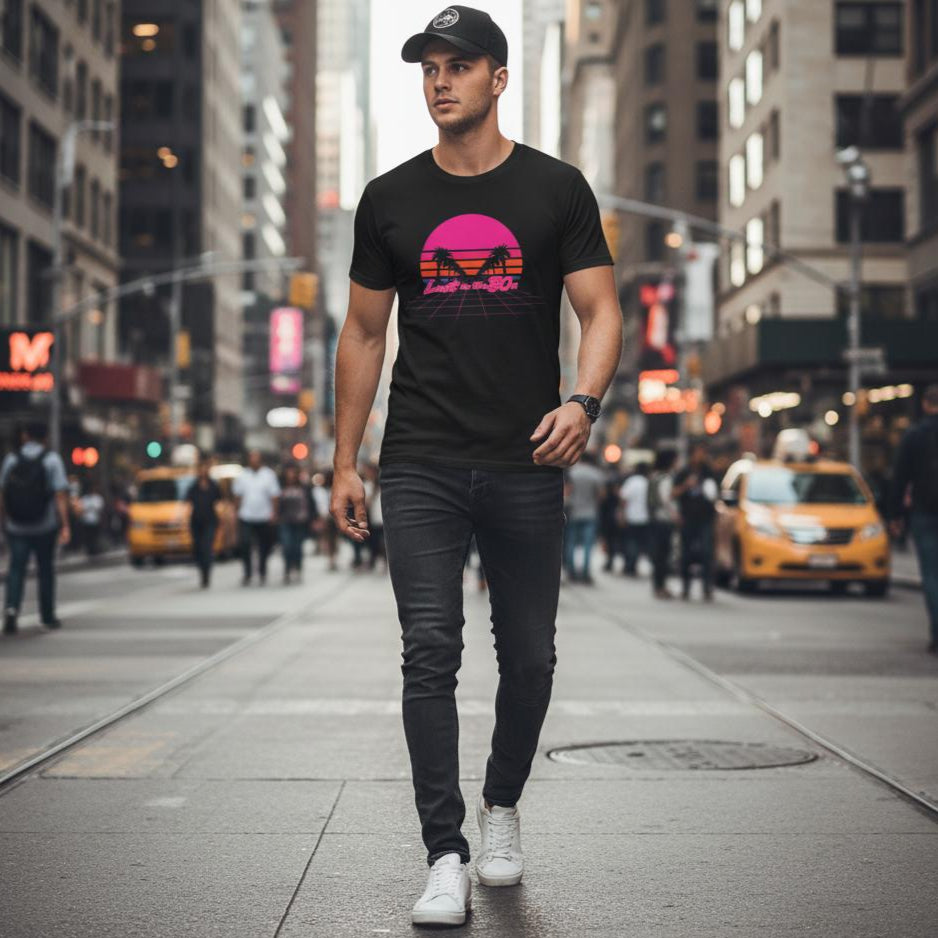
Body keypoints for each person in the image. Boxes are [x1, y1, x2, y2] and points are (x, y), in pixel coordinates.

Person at [329, 6, 622, 926]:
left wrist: (584, 403)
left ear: (498, 78)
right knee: (430, 651)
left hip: (527, 457)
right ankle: (444, 853)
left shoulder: (556, 189)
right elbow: (363, 333)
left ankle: (501, 806)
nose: (440, 81)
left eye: (458, 66)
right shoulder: (389, 199)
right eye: (429, 68)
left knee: (529, 656)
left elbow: (601, 311)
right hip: (420, 455)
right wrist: (344, 462)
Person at [0, 422, 71, 633]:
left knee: (16, 569)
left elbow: (2, 493)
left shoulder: (12, 459)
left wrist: (4, 520)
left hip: (16, 526)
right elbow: (60, 495)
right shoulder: (52, 460)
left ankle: (11, 609)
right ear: (46, 437)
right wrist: (65, 525)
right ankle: (47, 616)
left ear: (25, 436)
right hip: (44, 526)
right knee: (46, 570)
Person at [890, 383, 938, 653]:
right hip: (922, 512)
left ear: (925, 404)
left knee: (931, 574)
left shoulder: (914, 435)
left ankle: (937, 631)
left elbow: (900, 477)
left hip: (924, 512)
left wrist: (895, 515)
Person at [672, 443, 719, 601]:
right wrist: (686, 486)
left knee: (707, 552)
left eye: (703, 453)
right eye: (698, 453)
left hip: (705, 518)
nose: (700, 456)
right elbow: (673, 493)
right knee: (686, 553)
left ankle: (707, 587)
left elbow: (716, 494)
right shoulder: (684, 472)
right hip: (688, 518)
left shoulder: (709, 472)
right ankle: (686, 587)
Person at [232, 450, 280, 586]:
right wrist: (236, 512)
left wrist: (274, 513)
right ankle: (247, 573)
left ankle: (262, 570)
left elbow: (274, 496)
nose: (254, 460)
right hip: (246, 515)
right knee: (245, 543)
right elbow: (237, 496)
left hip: (264, 516)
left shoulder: (268, 475)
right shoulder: (243, 475)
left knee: (264, 545)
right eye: (252, 457)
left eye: (256, 457)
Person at [563, 451, 606, 584]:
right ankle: (586, 573)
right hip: (590, 513)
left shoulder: (572, 472)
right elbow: (601, 495)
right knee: (588, 545)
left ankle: (571, 572)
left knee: (570, 543)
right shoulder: (595, 473)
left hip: (573, 512)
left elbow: (566, 492)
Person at [185, 459, 221, 588]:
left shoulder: (213, 485)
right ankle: (202, 570)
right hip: (196, 521)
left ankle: (207, 574)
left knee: (207, 547)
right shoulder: (193, 486)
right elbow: (187, 502)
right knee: (198, 548)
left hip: (210, 521)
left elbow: (219, 501)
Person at [647, 448, 678, 599]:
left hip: (655, 519)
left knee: (658, 555)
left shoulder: (654, 476)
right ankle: (661, 586)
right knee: (664, 556)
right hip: (664, 520)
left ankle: (658, 585)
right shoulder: (666, 478)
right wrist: (675, 514)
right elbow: (666, 499)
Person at [279, 462, 316, 583]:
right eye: (288, 472)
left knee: (297, 546)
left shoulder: (304, 487)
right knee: (287, 546)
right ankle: (288, 568)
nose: (291, 474)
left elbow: (311, 503)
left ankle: (298, 567)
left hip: (300, 522)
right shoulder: (280, 486)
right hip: (285, 521)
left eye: (293, 472)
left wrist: (314, 519)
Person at [620, 462, 651, 576]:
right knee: (639, 543)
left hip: (631, 516)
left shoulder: (631, 482)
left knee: (630, 542)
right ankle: (633, 565)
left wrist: (622, 514)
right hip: (644, 517)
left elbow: (623, 498)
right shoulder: (647, 483)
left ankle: (629, 564)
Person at [78, 483, 105, 556]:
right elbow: (80, 509)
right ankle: (90, 550)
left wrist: (89, 508)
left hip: (96, 520)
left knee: (95, 536)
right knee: (88, 537)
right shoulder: (84, 499)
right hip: (86, 521)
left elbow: (100, 508)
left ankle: (96, 549)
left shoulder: (97, 498)